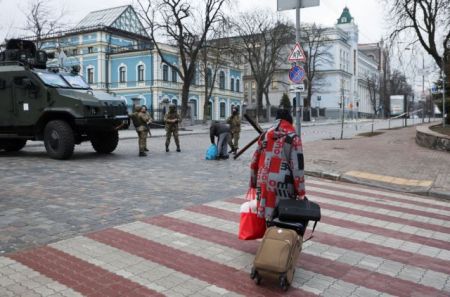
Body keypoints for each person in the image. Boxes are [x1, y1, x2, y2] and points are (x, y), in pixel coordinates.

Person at [249, 108, 305, 220]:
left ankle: (269, 234)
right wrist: (300, 191)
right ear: (290, 122)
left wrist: (254, 183)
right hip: (283, 183)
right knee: (282, 216)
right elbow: (297, 167)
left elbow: (254, 161)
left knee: (267, 215)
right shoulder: (293, 138)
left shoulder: (264, 135)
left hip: (263, 180)